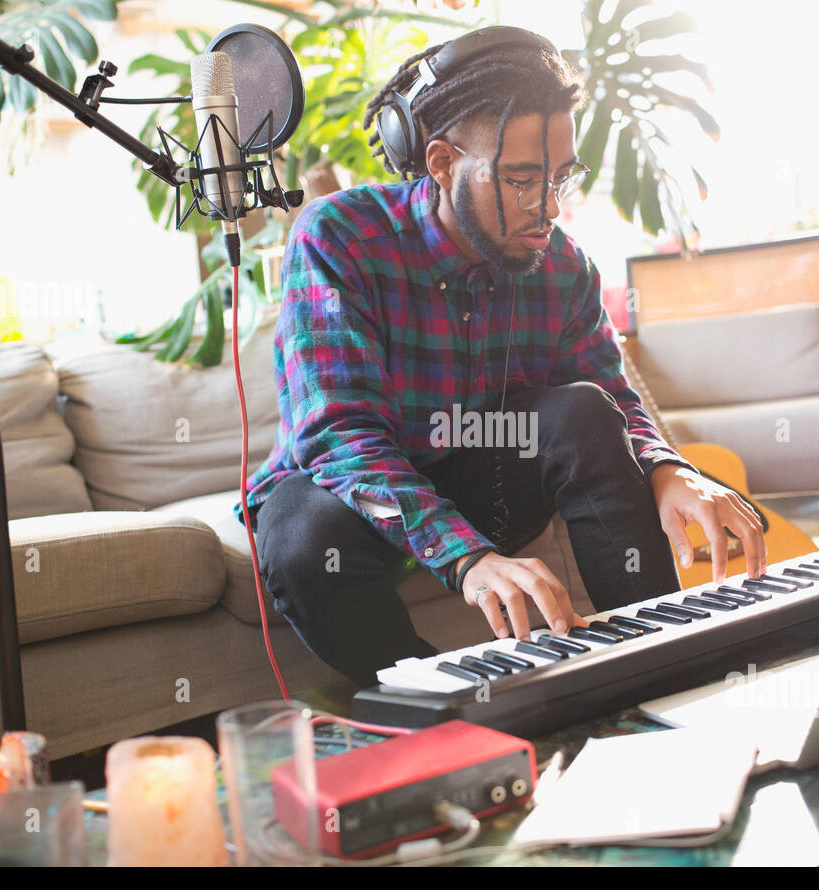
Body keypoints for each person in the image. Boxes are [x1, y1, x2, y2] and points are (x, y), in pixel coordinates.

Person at [237, 26, 768, 686]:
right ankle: (451, 705)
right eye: (520, 179)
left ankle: (666, 663)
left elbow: (611, 397)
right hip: (356, 490)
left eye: (560, 178)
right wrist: (467, 559)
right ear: (440, 162)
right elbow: (339, 434)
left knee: (583, 411)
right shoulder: (339, 236)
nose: (547, 207)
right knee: (300, 542)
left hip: (483, 466)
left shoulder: (563, 264)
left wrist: (665, 468)